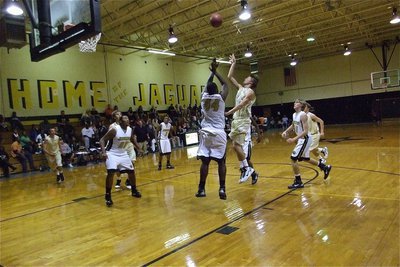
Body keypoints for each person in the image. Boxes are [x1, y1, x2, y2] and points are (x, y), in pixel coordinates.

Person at [195, 59, 229, 200]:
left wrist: (211, 73)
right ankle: (222, 188)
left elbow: (207, 85)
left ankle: (202, 189)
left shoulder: (203, 98)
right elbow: (225, 84)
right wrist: (216, 72)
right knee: (221, 162)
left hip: (206, 133)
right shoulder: (221, 97)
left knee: (205, 162)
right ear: (217, 90)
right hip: (219, 133)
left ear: (207, 90)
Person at [281, 99, 331, 189]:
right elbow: (293, 125)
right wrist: (286, 131)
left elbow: (305, 131)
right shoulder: (294, 114)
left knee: (293, 159)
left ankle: (298, 181)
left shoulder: (303, 115)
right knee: (305, 158)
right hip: (302, 139)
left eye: (296, 103)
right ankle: (324, 167)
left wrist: (293, 139)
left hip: (305, 139)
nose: (294, 104)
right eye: (294, 102)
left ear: (301, 105)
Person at [225, 53, 259, 183]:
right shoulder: (240, 88)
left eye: (247, 78)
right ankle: (248, 169)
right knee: (235, 146)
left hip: (243, 121)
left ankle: (246, 169)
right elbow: (229, 77)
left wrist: (229, 112)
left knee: (236, 146)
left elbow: (241, 104)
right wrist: (233, 63)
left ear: (251, 82)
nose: (244, 78)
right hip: (236, 120)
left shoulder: (250, 92)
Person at [100, 115, 142, 207]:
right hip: (112, 153)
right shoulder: (115, 130)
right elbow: (102, 140)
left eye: (128, 118)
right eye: (125, 119)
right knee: (111, 172)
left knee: (131, 171)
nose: (127, 120)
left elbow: (131, 139)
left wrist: (139, 148)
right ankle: (108, 196)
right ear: (121, 121)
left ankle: (134, 190)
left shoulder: (130, 129)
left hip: (123, 153)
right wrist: (103, 152)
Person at [304, 102, 331, 168]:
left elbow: (321, 121)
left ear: (307, 108)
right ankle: (322, 153)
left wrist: (322, 132)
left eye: (304, 107)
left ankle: (321, 158)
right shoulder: (303, 116)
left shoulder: (311, 115)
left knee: (307, 151)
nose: (302, 108)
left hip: (315, 135)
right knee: (313, 149)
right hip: (309, 135)